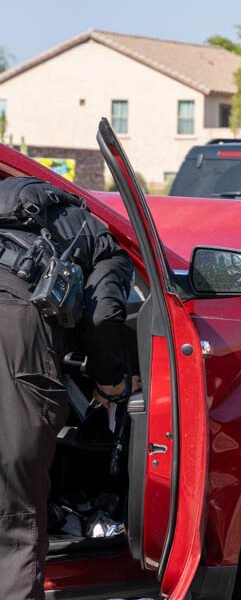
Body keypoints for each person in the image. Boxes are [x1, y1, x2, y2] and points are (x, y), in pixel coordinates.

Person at [0, 176, 132, 600]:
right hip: (19, 349)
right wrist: (110, 384)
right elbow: (103, 317)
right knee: (15, 519)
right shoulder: (96, 234)